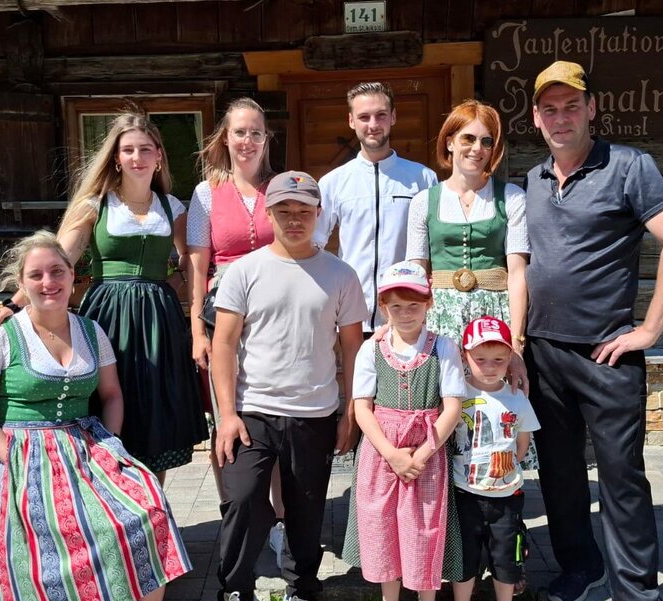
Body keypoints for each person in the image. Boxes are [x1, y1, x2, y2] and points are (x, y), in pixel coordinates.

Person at [523, 61, 663, 601]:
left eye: (571, 105)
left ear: (591, 108)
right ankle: (581, 565)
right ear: (535, 116)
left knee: (622, 478)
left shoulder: (629, 166)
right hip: (543, 354)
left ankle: (639, 600)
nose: (560, 117)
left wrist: (649, 329)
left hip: (609, 354)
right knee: (559, 473)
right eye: (549, 108)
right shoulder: (530, 180)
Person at [0, 231, 190, 601]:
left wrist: (111, 445)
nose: (49, 282)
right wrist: (13, 457)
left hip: (86, 446)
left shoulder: (90, 331)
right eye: (37, 275)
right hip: (20, 449)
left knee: (149, 506)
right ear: (22, 284)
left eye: (57, 271)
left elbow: (112, 395)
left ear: (72, 276)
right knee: (54, 529)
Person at [0, 110, 208, 482]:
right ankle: (104, 498)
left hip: (159, 319)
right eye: (128, 149)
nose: (137, 157)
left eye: (145, 149)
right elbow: (59, 259)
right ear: (116, 157)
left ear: (159, 155)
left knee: (152, 413)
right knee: (106, 399)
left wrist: (179, 298)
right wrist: (13, 303)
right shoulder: (96, 205)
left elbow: (191, 260)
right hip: (109, 313)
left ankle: (152, 509)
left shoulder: (172, 207)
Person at [208, 171, 367, 601]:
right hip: (252, 411)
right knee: (242, 499)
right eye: (285, 211)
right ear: (269, 213)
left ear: (319, 215)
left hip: (314, 412)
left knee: (306, 508)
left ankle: (301, 595)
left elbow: (353, 347)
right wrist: (227, 414)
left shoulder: (340, 274)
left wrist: (350, 410)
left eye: (304, 212)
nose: (294, 220)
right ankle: (238, 597)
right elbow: (223, 344)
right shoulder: (244, 270)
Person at [406, 99, 537, 473]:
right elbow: (417, 273)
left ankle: (496, 497)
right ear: (449, 142)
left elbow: (516, 272)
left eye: (486, 141)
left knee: (493, 408)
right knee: (443, 406)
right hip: (441, 319)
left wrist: (516, 343)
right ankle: (446, 508)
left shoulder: (510, 197)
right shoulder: (423, 202)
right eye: (468, 138)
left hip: (493, 318)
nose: (476, 149)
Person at [186, 97, 288, 568]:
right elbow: (197, 264)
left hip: (274, 318)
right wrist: (196, 329)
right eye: (239, 132)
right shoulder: (206, 194)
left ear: (267, 139)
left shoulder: (282, 188)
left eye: (256, 132)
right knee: (224, 415)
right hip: (220, 316)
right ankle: (235, 511)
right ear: (224, 138)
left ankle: (280, 519)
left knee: (275, 414)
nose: (247, 141)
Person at [347, 261, 464, 601]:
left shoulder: (442, 348)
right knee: (383, 529)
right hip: (382, 455)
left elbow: (453, 408)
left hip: (426, 455)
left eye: (414, 305)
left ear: (428, 303)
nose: (405, 313)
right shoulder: (372, 349)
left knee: (424, 530)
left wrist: (422, 453)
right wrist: (392, 453)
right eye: (396, 306)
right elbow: (362, 409)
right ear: (384, 307)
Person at [316, 82, 438, 336]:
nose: (373, 124)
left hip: (407, 313)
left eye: (381, 115)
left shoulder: (423, 178)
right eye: (364, 117)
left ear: (393, 117)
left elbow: (435, 246)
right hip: (351, 315)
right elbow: (315, 244)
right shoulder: (333, 182)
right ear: (351, 121)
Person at [448, 316, 541, 601]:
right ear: (464, 356)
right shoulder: (456, 395)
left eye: (499, 360)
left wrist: (509, 467)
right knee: (465, 560)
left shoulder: (516, 397)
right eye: (480, 359)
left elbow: (523, 441)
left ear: (509, 360)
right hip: (466, 494)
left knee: (506, 560)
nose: (489, 366)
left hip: (506, 498)